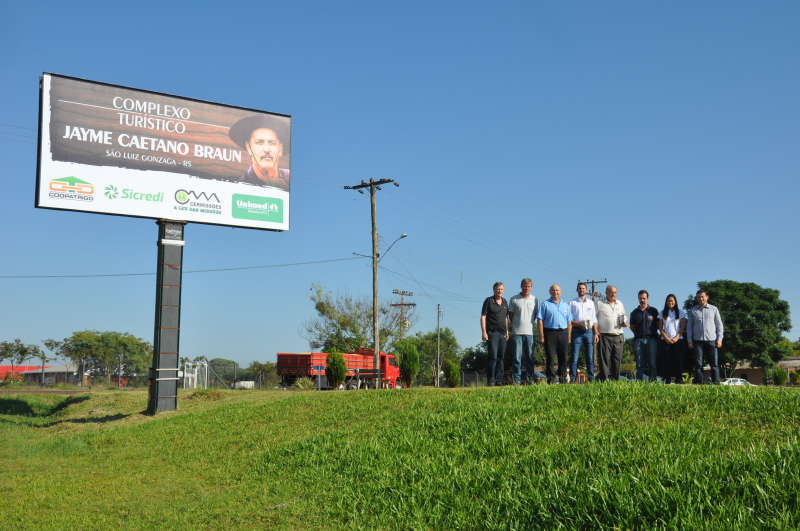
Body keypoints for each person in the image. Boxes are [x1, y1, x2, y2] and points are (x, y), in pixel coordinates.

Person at [228, 114, 291, 191]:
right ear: (249, 148)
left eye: (271, 142)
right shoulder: (239, 187)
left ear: (280, 149)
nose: (267, 149)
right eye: (259, 142)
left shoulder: (290, 179)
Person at [537, 284, 573, 384]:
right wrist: (541, 336)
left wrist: (569, 335)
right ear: (550, 292)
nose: (555, 292)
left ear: (560, 292)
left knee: (563, 358)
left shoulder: (565, 305)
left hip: (563, 333)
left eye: (557, 290)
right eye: (553, 290)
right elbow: (540, 320)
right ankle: (551, 379)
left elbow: (569, 321)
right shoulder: (545, 304)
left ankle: (563, 378)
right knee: (550, 357)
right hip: (550, 333)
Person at [686, 288, 724, 384]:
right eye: (698, 297)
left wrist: (719, 339)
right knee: (698, 364)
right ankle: (699, 382)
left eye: (702, 297)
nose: (700, 299)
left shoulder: (714, 309)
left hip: (712, 340)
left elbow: (719, 325)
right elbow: (689, 326)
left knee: (714, 364)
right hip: (697, 340)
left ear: (707, 297)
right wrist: (689, 340)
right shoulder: (693, 310)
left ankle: (716, 383)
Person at [508, 278, 538, 385]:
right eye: (525, 286)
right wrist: (516, 325)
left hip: (530, 333)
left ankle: (530, 379)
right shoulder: (514, 299)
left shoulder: (534, 299)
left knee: (530, 357)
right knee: (517, 357)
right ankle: (517, 379)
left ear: (531, 287)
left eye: (528, 286)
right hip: (517, 333)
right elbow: (510, 315)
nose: (526, 288)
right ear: (521, 286)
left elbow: (535, 315)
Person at [594, 285, 627, 381]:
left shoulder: (620, 303)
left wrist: (624, 323)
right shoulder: (599, 303)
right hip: (604, 335)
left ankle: (615, 380)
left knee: (617, 359)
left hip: (618, 335)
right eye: (611, 292)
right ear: (606, 293)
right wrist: (596, 332)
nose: (613, 294)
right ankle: (604, 379)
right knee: (604, 359)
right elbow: (593, 318)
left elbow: (623, 317)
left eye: (615, 292)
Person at [568, 282, 598, 383]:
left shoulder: (591, 303)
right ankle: (572, 380)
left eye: (583, 288)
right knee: (574, 356)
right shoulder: (572, 303)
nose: (582, 290)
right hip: (577, 331)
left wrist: (596, 333)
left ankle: (591, 379)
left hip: (589, 332)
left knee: (590, 357)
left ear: (586, 290)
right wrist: (578, 324)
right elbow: (568, 320)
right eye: (580, 288)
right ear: (577, 290)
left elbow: (593, 320)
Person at [481, 282, 509, 386]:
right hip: (492, 333)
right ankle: (491, 380)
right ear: (494, 290)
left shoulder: (505, 302)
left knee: (501, 358)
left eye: (501, 289)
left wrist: (507, 331)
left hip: (503, 333)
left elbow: (506, 318)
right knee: (492, 356)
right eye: (498, 289)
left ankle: (498, 380)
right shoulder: (489, 301)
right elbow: (483, 316)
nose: (500, 291)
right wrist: (484, 332)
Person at [630, 290, 660, 381]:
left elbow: (658, 325)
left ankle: (653, 383)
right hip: (638, 340)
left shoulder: (653, 311)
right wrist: (640, 334)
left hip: (652, 340)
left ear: (648, 299)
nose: (642, 300)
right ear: (638, 299)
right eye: (640, 298)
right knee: (639, 364)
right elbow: (632, 327)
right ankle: (639, 384)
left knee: (652, 363)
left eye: (644, 298)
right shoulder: (634, 312)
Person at [658, 294, 686, 384]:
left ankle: (679, 381)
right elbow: (660, 327)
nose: (670, 302)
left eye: (672, 301)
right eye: (669, 301)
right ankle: (667, 381)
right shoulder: (662, 313)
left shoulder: (680, 312)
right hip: (665, 341)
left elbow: (682, 326)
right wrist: (666, 338)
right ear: (666, 302)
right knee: (666, 361)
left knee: (678, 361)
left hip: (678, 340)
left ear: (675, 302)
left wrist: (677, 337)